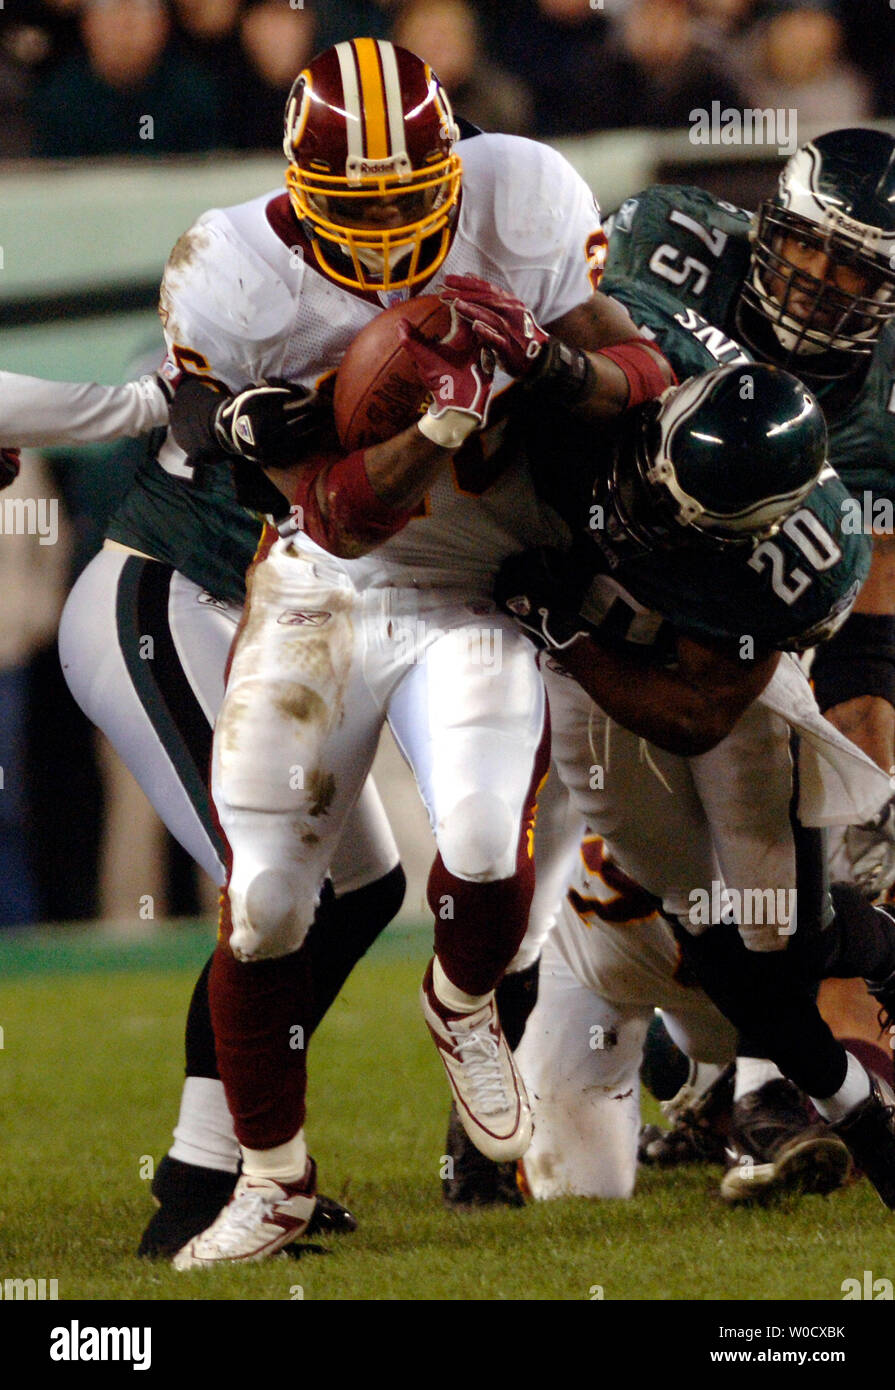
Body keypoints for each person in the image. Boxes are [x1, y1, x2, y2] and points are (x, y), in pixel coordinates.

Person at [162, 36, 673, 1268]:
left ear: (456, 168)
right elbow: (329, 508)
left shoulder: (524, 194)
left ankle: (457, 1002)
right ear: (299, 193)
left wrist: (556, 366)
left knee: (492, 837)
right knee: (270, 904)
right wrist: (415, 425)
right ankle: (270, 1183)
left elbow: (646, 372)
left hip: (478, 587)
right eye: (359, 205)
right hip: (325, 589)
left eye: (411, 197)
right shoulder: (229, 269)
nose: (391, 231)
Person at [0, 360, 404, 1254]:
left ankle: (222, 1167)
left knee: (364, 885)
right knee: (277, 896)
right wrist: (145, 397)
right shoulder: (256, 284)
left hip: (264, 619)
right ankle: (202, 1185)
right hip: (163, 595)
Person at [487, 360, 895, 1209]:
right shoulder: (613, 402)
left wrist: (567, 632)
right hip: (595, 713)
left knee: (783, 948)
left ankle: (874, 967)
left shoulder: (800, 559)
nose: (655, 519)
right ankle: (844, 1122)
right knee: (728, 960)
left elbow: (698, 713)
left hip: (710, 705)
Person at [587, 127, 895, 1197]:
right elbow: (589, 337)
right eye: (809, 246)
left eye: (856, 265)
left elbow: (870, 605)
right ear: (769, 226)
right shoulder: (672, 244)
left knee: (777, 858)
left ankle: (762, 1078)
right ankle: (581, 1046)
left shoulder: (881, 403)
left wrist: (865, 737)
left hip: (768, 624)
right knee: (569, 844)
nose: (820, 277)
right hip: (600, 564)